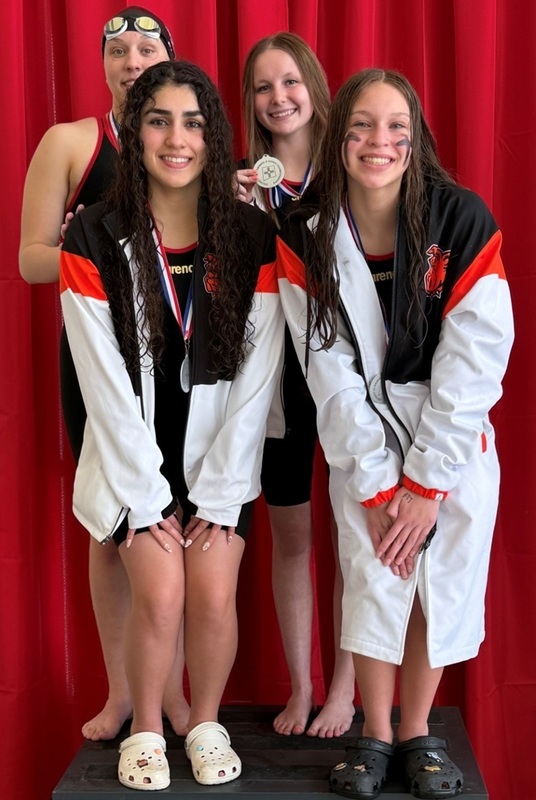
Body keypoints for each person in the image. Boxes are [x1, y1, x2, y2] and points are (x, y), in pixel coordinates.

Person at [276, 68, 513, 799]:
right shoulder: (305, 233)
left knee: (435, 584)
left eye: (395, 129)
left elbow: (475, 359)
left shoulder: (461, 218)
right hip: (364, 440)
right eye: (362, 127)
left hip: (450, 438)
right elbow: (328, 371)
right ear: (339, 134)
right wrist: (380, 482)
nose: (379, 142)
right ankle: (374, 733)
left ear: (415, 140)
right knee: (376, 576)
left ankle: (416, 730)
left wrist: (425, 485)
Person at [59, 59, 284, 791]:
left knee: (214, 590)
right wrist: (147, 498)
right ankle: (149, 727)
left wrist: (219, 495)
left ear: (214, 138)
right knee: (159, 592)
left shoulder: (252, 234)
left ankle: (208, 719)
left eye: (193, 123)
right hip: (132, 454)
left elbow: (258, 379)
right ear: (134, 131)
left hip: (220, 451)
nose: (176, 138)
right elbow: (101, 381)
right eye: (159, 121)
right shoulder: (92, 235)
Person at [18, 7, 190, 742]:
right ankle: (122, 690)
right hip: (98, 356)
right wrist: (102, 260)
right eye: (117, 49)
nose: (131, 58)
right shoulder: (72, 142)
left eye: (147, 45)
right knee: (110, 521)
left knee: (177, 514)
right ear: (103, 65)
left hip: (182, 352)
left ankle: (175, 690)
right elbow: (30, 259)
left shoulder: (188, 138)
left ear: (169, 58)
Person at [238, 32, 356, 739]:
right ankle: (303, 686)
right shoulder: (245, 179)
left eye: (289, 82)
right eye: (262, 87)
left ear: (313, 85)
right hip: (278, 381)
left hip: (345, 379)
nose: (278, 98)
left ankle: (346, 688)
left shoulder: (352, 168)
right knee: (290, 535)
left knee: (352, 537)